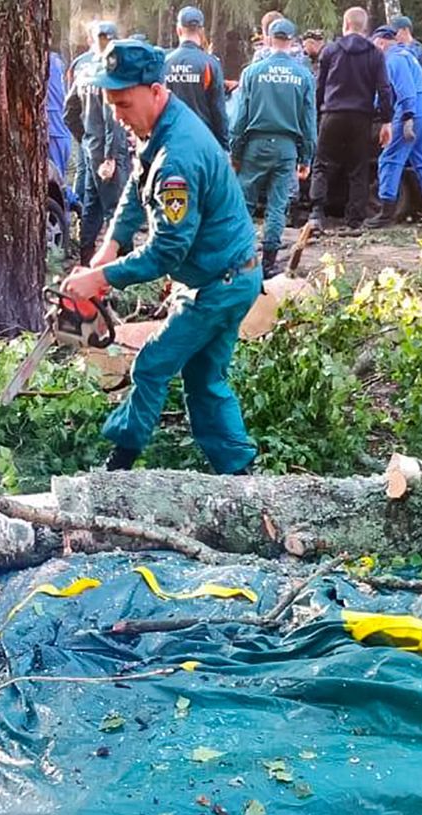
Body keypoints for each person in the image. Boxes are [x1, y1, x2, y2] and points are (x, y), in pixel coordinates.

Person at [60, 40, 261, 476]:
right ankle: (241, 475)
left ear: (155, 90)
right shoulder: (160, 127)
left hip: (218, 284)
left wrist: (101, 280)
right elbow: (136, 185)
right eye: (111, 103)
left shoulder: (178, 159)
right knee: (205, 379)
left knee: (152, 363)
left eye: (123, 103)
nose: (117, 114)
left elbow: (168, 250)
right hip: (228, 274)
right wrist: (110, 246)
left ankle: (119, 466)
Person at [231, 17, 316, 274]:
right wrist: (306, 157)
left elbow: (240, 118)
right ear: (292, 42)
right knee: (277, 205)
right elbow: (308, 122)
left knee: (245, 202)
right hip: (286, 148)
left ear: (268, 39)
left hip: (254, 145)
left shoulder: (252, 73)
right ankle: (269, 263)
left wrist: (236, 151)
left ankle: (241, 257)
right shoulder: (303, 76)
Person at [309, 7, 394, 232]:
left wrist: (318, 112)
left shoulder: (331, 51)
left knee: (322, 163)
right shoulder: (375, 54)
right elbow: (384, 89)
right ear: (365, 28)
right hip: (361, 116)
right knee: (358, 168)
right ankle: (354, 220)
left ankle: (316, 213)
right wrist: (387, 120)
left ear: (345, 25)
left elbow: (320, 85)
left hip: (332, 114)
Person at [366, 26, 422, 229]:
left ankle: (386, 213)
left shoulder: (393, 59)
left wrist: (408, 117)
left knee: (389, 159)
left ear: (380, 43)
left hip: (411, 114)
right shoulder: (408, 55)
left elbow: (405, 90)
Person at [67, 21, 131, 264]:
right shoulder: (110, 71)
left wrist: (85, 139)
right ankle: (123, 267)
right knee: (117, 210)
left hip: (91, 148)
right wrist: (110, 157)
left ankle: (85, 260)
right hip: (107, 152)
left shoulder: (84, 70)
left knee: (91, 208)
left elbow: (69, 111)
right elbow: (112, 117)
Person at [164, 6, 230, 151]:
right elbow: (218, 110)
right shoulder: (210, 64)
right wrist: (224, 146)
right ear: (201, 31)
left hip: (170, 141)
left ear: (179, 30)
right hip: (202, 142)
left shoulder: (165, 63)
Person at [46, 49, 73, 204]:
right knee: (57, 177)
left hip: (54, 130)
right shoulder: (56, 61)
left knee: (56, 180)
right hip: (61, 129)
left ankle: (71, 205)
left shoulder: (46, 63)